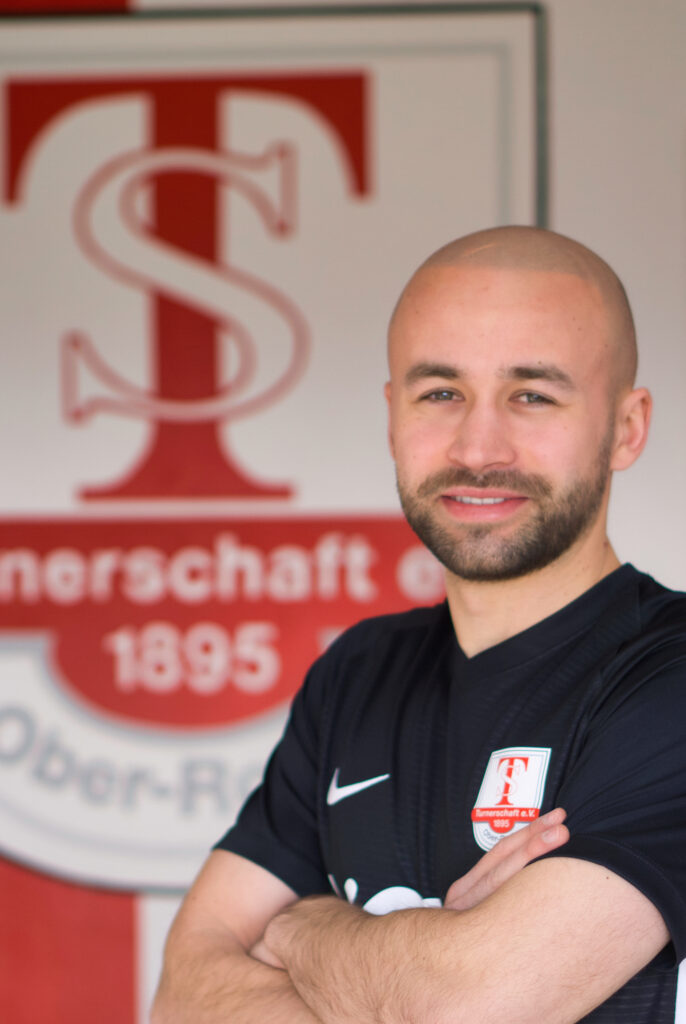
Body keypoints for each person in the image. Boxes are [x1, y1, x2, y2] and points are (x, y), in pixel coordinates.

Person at [152, 226, 686, 1023]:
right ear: (392, 417)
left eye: (532, 395)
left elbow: (466, 1009)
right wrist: (428, 957)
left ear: (626, 427)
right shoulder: (358, 673)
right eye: (440, 393)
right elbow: (183, 995)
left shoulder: (667, 678)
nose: (478, 448)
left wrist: (305, 929)